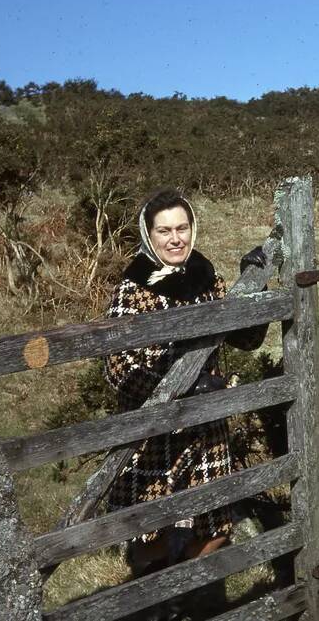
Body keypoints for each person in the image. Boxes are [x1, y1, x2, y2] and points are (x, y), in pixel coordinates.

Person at [103, 188, 266, 577]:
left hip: (206, 425)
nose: (175, 239)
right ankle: (153, 596)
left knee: (216, 524)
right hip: (153, 430)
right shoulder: (134, 288)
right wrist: (182, 389)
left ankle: (184, 592)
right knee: (148, 535)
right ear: (148, 235)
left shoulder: (206, 277)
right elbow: (119, 369)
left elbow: (246, 339)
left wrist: (253, 286)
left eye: (182, 228)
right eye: (164, 231)